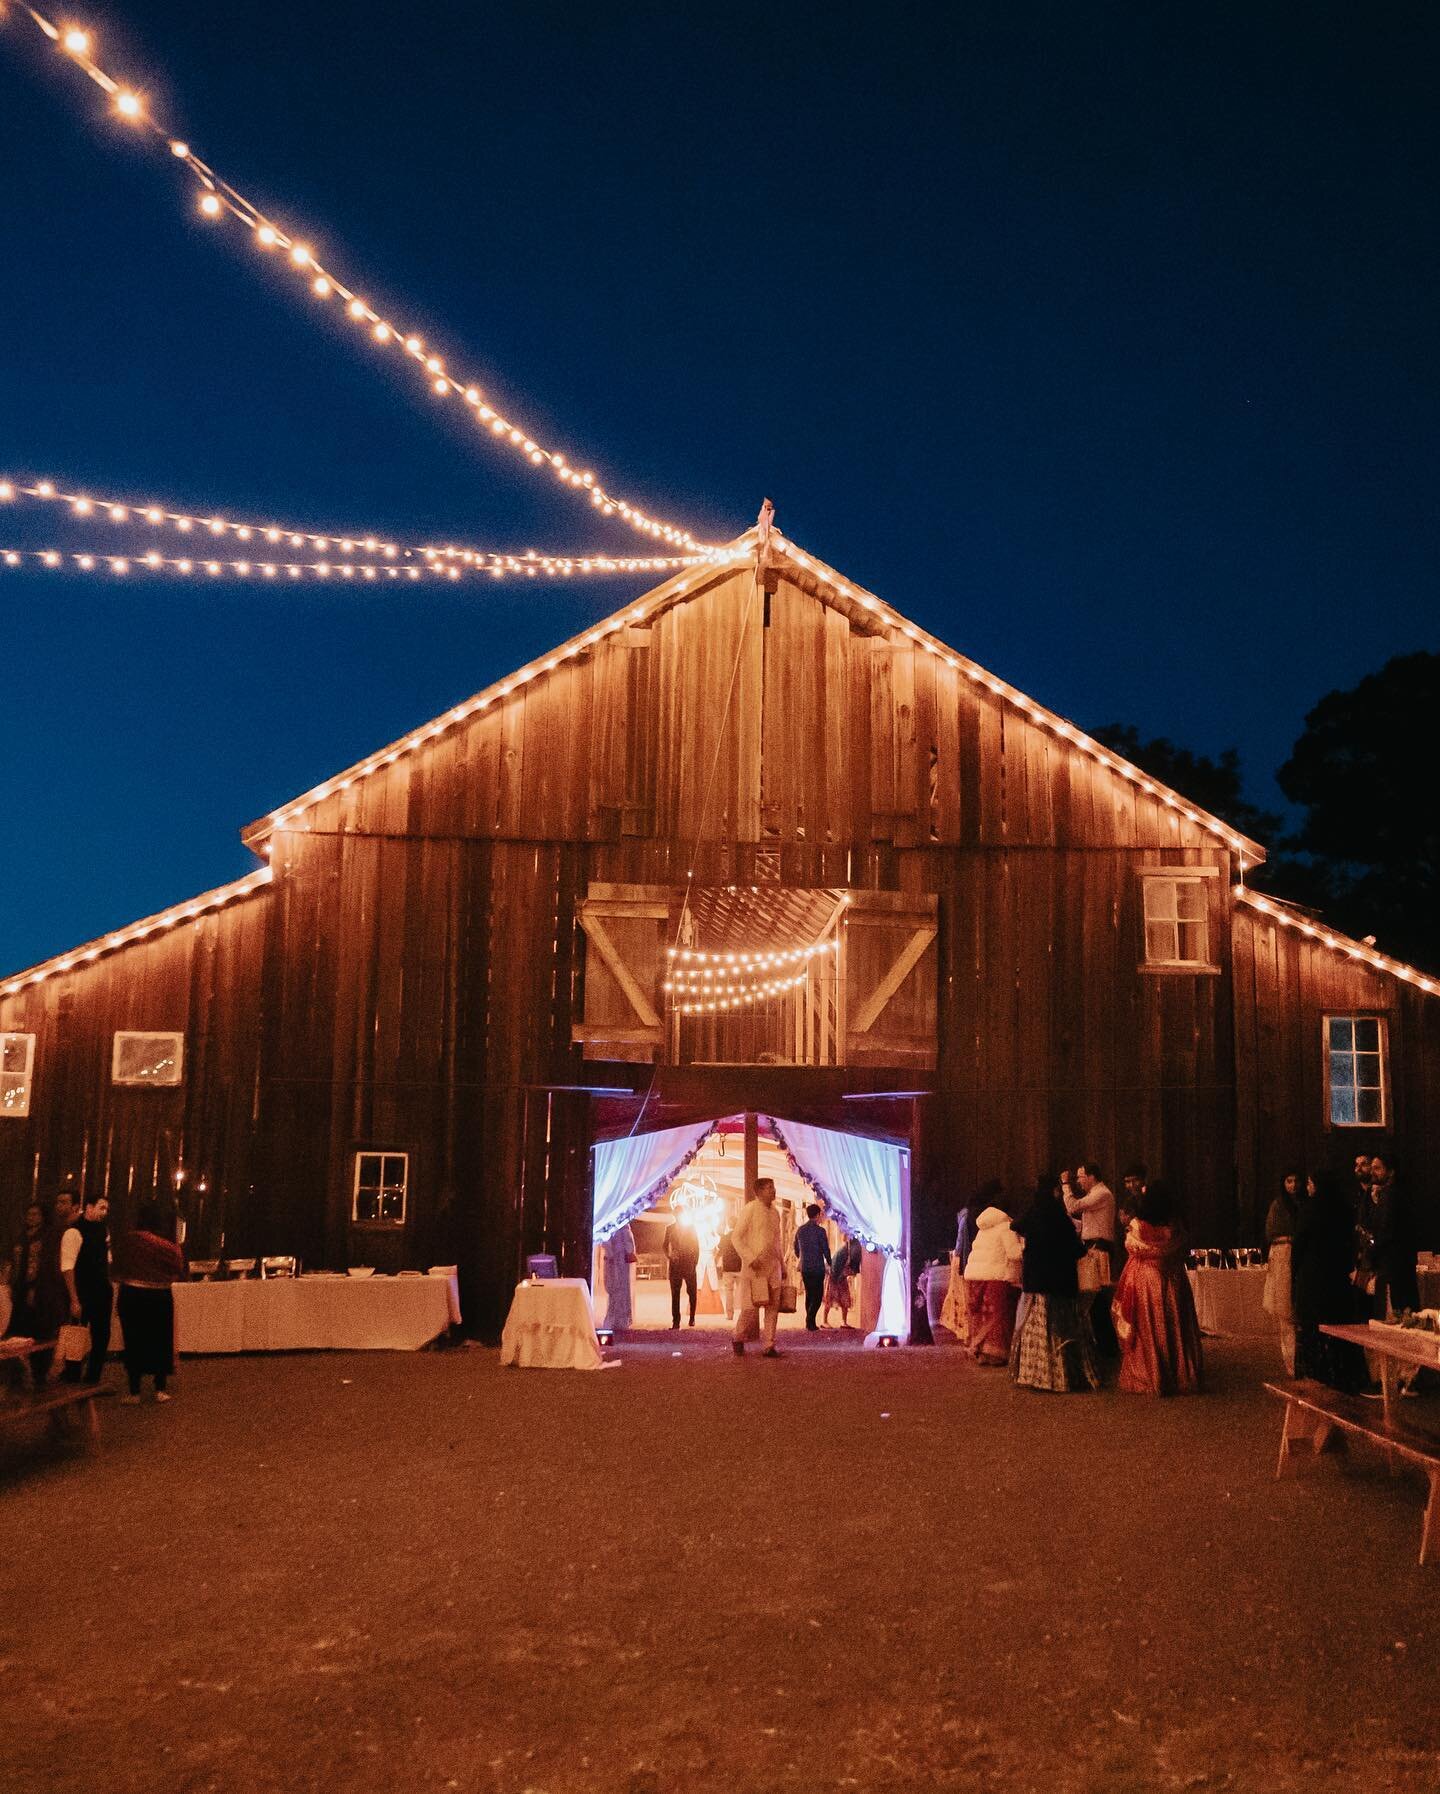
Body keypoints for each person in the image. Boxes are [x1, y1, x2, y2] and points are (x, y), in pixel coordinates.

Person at [1009, 1173, 1098, 1393]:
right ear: (1054, 1191)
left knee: (1035, 1330)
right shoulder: (1059, 1216)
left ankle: (1034, 1375)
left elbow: (1016, 1226)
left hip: (1036, 1283)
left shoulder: (1033, 1212)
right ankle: (1059, 1377)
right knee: (1061, 1329)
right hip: (1059, 1284)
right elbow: (1074, 1248)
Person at [1111, 1182, 1203, 1395]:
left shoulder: (1138, 1225)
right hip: (1173, 1277)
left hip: (1146, 1279)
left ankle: (1152, 1375)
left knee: (1149, 1327)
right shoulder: (1175, 1225)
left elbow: (1131, 1246)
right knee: (1174, 1325)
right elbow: (1180, 1246)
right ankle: (1178, 1375)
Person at [1292, 1170, 1368, 1393]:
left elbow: (1299, 1244)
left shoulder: (1310, 1209)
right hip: (1336, 1278)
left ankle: (1317, 1373)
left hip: (1313, 1278)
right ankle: (1342, 1374)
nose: (1308, 1187)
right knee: (1338, 1327)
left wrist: (1295, 1274)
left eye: (1309, 1183)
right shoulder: (1344, 1210)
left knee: (1315, 1327)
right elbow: (1351, 1243)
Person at [114, 1199, 185, 1403]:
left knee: (134, 1340)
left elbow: (118, 1267)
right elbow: (178, 1267)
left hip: (132, 1295)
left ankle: (134, 1391)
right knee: (160, 1340)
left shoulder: (129, 1241)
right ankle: (160, 1388)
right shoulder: (167, 1244)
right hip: (160, 1296)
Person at [5, 1201, 67, 1387]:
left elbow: (46, 1265)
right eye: (29, 1214)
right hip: (20, 1290)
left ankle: (39, 1374)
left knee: (39, 1332)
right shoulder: (22, 1236)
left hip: (40, 1291)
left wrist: (35, 1287)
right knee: (17, 1333)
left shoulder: (48, 1236)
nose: (31, 1218)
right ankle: (16, 1376)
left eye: (35, 1214)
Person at [1064, 1163, 1118, 1354]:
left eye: (1080, 1177)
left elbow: (1073, 1206)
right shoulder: (1095, 1195)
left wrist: (1065, 1185)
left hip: (1098, 1249)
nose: (1078, 1181)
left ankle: (1107, 1344)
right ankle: (1103, 1343)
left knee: (1096, 1297)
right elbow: (1084, 1224)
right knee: (1094, 1298)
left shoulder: (1101, 1193)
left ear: (1092, 1176)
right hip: (1093, 1248)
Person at [962, 1202, 1022, 1364]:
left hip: (975, 1278)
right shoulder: (1006, 1227)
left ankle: (980, 1352)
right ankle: (996, 1355)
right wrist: (1026, 1246)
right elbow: (1014, 1253)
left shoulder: (983, 1229)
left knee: (982, 1315)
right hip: (996, 1276)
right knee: (999, 1317)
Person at [731, 1176, 784, 1358]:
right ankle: (738, 1337)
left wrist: (782, 1265)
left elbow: (777, 1241)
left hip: (773, 1266)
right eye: (769, 1188)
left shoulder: (775, 1213)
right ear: (759, 1192)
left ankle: (769, 1345)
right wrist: (750, 1258)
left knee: (773, 1307)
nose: (773, 1191)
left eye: (773, 1187)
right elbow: (736, 1237)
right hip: (754, 1268)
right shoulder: (750, 1210)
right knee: (750, 1308)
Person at [1367, 1153, 1419, 1318]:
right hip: (1399, 1259)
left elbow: (1385, 1229)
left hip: (1394, 1260)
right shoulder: (1393, 1193)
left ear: (1390, 1172)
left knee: (1399, 1308)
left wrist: (1373, 1249)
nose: (1372, 1172)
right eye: (1372, 1168)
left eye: (1377, 1168)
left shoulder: (1391, 1195)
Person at [1263, 1168, 1302, 1376]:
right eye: (1289, 1181)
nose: (1293, 1185)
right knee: (1285, 1311)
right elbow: (1271, 1233)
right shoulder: (1278, 1206)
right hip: (1284, 1258)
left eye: (1296, 1180)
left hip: (1300, 1259)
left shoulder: (1305, 1204)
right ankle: (1291, 1363)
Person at [77, 1193, 113, 1384]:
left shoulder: (103, 1229)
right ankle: (73, 1372)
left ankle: (93, 1375)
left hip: (101, 1288)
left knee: (101, 1333)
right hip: (83, 1288)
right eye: (101, 1207)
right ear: (89, 1207)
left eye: (106, 1209)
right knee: (76, 1332)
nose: (104, 1212)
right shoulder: (77, 1229)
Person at [53, 1189, 89, 1383]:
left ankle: (73, 1370)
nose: (60, 1206)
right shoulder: (60, 1228)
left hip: (73, 1287)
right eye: (58, 1202)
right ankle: (69, 1368)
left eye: (65, 1202)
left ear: (75, 1205)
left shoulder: (75, 1229)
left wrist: (74, 1297)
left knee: (72, 1328)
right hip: (64, 1287)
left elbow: (69, 1265)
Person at [793, 1203, 832, 1331]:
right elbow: (825, 1249)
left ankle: (810, 1322)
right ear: (817, 1215)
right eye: (821, 1215)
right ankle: (810, 1319)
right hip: (817, 1267)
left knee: (809, 1294)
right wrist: (830, 1263)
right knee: (818, 1294)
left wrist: (801, 1256)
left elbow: (796, 1247)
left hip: (805, 1267)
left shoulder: (801, 1230)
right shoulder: (820, 1231)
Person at [663, 1209, 700, 1329]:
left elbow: (696, 1246)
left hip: (689, 1264)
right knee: (675, 1294)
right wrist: (669, 1256)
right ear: (674, 1215)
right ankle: (676, 1321)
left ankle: (692, 1317)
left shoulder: (691, 1227)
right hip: (675, 1265)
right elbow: (664, 1245)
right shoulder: (669, 1228)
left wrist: (694, 1262)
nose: (678, 1216)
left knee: (692, 1292)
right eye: (677, 1214)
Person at [600, 1220, 636, 1332]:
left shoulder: (621, 1226)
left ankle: (619, 1320)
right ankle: (618, 1319)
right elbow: (628, 1243)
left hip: (618, 1260)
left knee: (618, 1290)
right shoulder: (621, 1226)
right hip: (616, 1261)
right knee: (618, 1290)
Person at [823, 1234, 860, 1328]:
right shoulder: (845, 1251)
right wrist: (837, 1277)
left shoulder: (849, 1249)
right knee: (830, 1298)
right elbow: (835, 1266)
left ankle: (842, 1321)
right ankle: (825, 1321)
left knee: (844, 1299)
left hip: (840, 1277)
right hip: (834, 1276)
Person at [717, 1226, 742, 1319]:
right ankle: (742, 1314)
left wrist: (716, 1260)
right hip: (740, 1267)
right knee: (743, 1292)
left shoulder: (725, 1237)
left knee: (729, 1292)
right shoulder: (741, 1236)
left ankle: (730, 1314)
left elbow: (720, 1249)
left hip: (727, 1268)